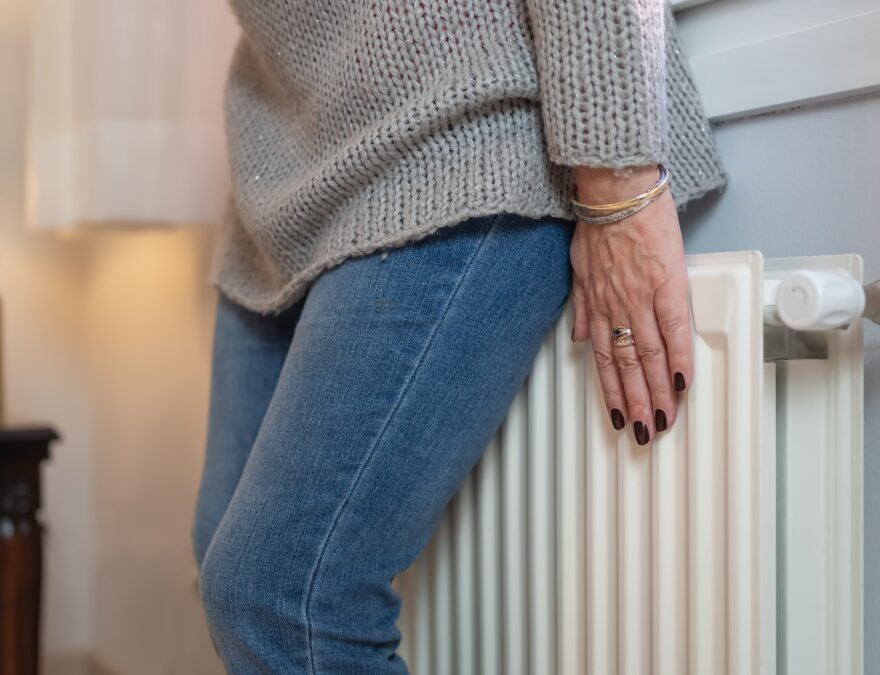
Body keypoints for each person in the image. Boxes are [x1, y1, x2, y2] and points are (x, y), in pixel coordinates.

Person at [192, 0, 725, 671]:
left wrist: (619, 184)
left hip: (458, 133)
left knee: (281, 593)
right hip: (284, 154)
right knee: (225, 555)